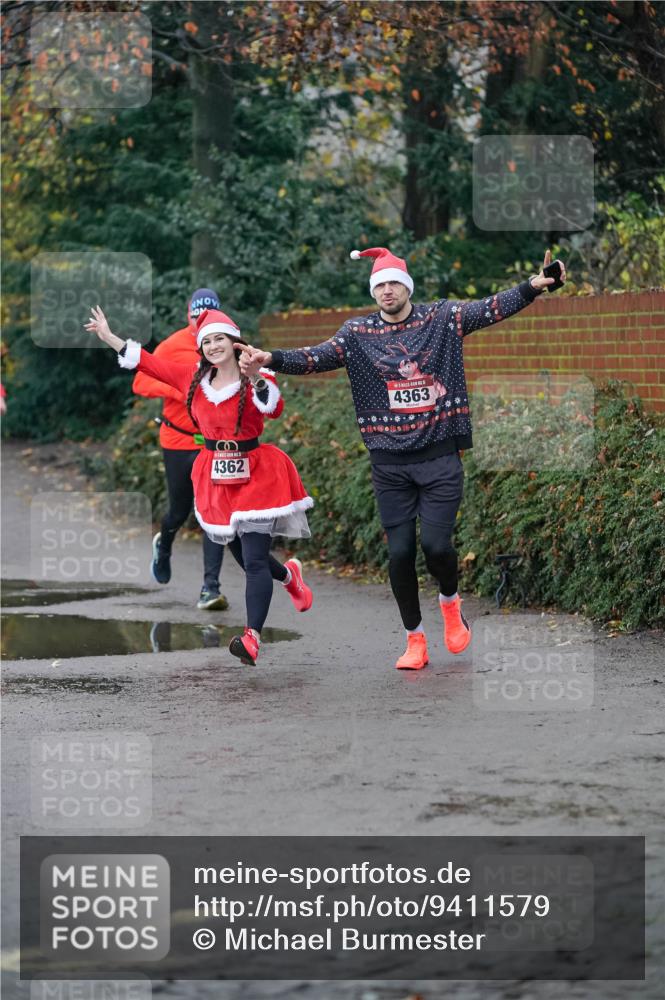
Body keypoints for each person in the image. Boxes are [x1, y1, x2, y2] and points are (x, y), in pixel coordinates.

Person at [239, 246, 566, 670]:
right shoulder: (357, 334)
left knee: (435, 546)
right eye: (380, 285)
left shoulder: (441, 319)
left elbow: (489, 309)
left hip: (439, 458)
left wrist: (533, 287)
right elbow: (317, 356)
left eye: (394, 283)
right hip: (389, 464)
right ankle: (415, 639)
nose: (387, 291)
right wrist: (273, 359)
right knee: (399, 554)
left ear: (407, 287)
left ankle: (450, 603)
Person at [85, 305, 314, 666]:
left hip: (256, 473)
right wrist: (110, 336)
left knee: (253, 559)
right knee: (242, 555)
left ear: (233, 341)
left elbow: (273, 408)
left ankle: (252, 637)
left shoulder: (254, 369)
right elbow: (147, 363)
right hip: (217, 477)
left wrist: (255, 376)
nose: (213, 346)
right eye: (206, 341)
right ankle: (289, 577)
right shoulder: (191, 378)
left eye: (219, 338)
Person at [133, 288, 228, 610]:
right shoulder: (172, 346)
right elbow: (140, 383)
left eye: (206, 316)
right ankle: (165, 543)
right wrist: (176, 388)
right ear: (186, 316)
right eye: (194, 316)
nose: (200, 322)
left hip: (214, 443)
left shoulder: (225, 342)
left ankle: (210, 588)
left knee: (212, 513)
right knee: (179, 509)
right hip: (177, 439)